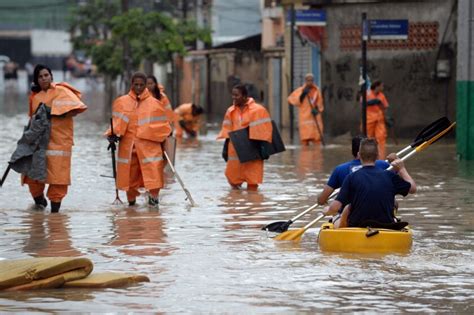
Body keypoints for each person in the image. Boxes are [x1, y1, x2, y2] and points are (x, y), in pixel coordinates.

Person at [24, 64, 88, 212]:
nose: (44, 78)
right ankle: (39, 204)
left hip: (59, 141)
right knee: (32, 175)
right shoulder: (35, 97)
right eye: (40, 76)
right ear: (36, 80)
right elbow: (31, 120)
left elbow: (77, 109)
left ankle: (55, 217)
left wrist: (52, 112)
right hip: (38, 142)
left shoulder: (62, 91)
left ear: (51, 76)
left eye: (46, 75)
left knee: (58, 178)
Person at [107, 72, 171, 207]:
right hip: (128, 147)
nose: (139, 87)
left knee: (153, 175)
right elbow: (116, 124)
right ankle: (132, 205)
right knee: (130, 178)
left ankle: (154, 205)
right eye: (136, 84)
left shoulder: (155, 103)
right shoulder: (122, 102)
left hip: (149, 147)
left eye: (142, 85)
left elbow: (163, 127)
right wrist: (112, 136)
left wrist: (163, 143)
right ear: (131, 85)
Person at [323, 138, 416, 228]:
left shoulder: (351, 177)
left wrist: (327, 211)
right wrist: (402, 169)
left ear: (359, 155)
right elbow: (412, 189)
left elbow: (335, 208)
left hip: (357, 225)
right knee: (394, 204)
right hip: (386, 224)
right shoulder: (390, 176)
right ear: (377, 155)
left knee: (337, 215)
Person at [217, 84, 272, 190]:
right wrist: (225, 149)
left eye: (236, 95)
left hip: (253, 150)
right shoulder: (230, 111)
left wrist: (265, 148)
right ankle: (238, 203)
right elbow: (227, 130)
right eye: (232, 95)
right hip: (235, 150)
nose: (233, 97)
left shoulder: (258, 110)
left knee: (252, 182)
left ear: (244, 96)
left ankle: (251, 204)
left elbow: (265, 130)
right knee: (233, 181)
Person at [317, 135, 392, 205]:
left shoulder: (340, 170)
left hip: (349, 215)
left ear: (353, 151)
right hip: (378, 212)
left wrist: (321, 200)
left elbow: (321, 200)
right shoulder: (383, 165)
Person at [287, 73, 324, 145]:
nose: (310, 82)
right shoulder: (300, 90)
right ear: (305, 81)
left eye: (311, 80)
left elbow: (320, 103)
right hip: (305, 118)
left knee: (317, 140)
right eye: (308, 80)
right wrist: (302, 95)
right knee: (305, 140)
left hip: (315, 118)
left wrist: (317, 110)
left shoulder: (317, 90)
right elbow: (291, 99)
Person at [365, 80, 389, 159]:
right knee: (368, 138)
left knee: (381, 138)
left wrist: (387, 118)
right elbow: (363, 103)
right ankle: (368, 157)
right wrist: (371, 102)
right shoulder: (367, 93)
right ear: (377, 86)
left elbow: (385, 107)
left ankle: (381, 158)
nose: (382, 88)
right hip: (369, 119)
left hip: (379, 120)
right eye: (381, 86)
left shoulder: (381, 95)